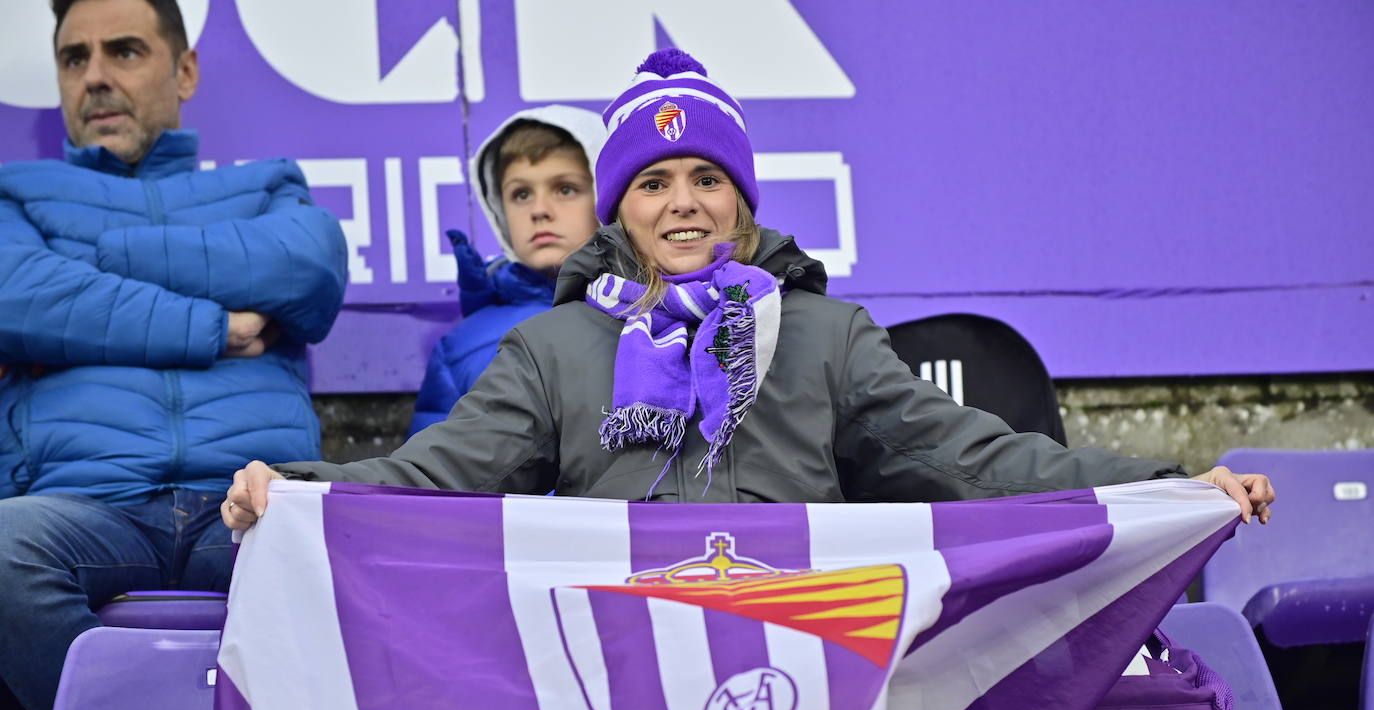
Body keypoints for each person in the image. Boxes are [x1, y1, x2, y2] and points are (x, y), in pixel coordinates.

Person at [224, 47, 1272, 527]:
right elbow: (437, 476)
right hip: (618, 656)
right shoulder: (549, 352)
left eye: (708, 179)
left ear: (743, 203)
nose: (683, 204)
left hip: (812, 648)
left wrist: (1169, 483)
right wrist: (303, 491)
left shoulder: (825, 334)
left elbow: (974, 457)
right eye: (654, 182)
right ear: (620, 208)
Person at [0, 0, 347, 710]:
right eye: (74, 58)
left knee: (351, 556)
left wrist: (96, 258)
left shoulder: (267, 185)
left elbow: (309, 268)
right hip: (89, 508)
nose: (94, 78)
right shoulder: (16, 194)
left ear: (184, 70)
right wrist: (217, 324)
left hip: (253, 495)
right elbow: (16, 296)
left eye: (123, 52)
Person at [410, 106, 603, 434]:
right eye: (521, 194)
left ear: (608, 193)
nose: (539, 210)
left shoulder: (659, 317)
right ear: (499, 210)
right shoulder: (463, 347)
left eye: (565, 189)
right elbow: (431, 478)